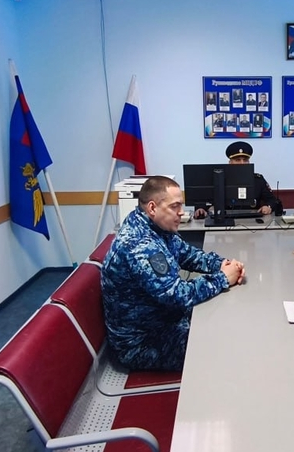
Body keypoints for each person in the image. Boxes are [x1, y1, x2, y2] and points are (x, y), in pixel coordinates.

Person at [101, 176, 246, 371]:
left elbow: (188, 255)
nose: (181, 212)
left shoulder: (156, 227)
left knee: (227, 321)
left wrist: (222, 264)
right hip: (142, 343)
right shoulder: (139, 244)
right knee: (224, 344)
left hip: (164, 321)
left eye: (181, 205)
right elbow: (176, 295)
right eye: (175, 206)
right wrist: (223, 278)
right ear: (152, 208)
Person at [193, 141, 281, 219]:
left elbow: (272, 200)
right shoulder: (219, 179)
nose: (242, 163)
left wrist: (268, 207)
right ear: (230, 163)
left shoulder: (258, 179)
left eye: (245, 160)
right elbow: (202, 200)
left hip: (251, 221)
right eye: (237, 160)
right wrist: (201, 209)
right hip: (224, 220)